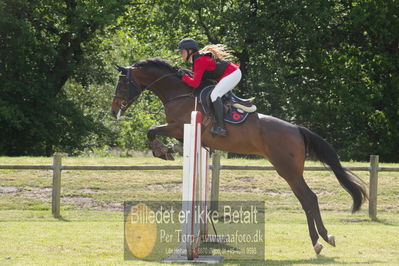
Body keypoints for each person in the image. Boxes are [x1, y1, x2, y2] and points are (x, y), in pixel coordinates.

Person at [177, 38, 242, 137]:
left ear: (190, 51)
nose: (181, 54)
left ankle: (221, 127)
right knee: (215, 94)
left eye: (182, 51)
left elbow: (195, 83)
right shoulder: (197, 61)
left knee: (215, 95)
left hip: (232, 73)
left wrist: (183, 76)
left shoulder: (199, 60)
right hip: (230, 74)